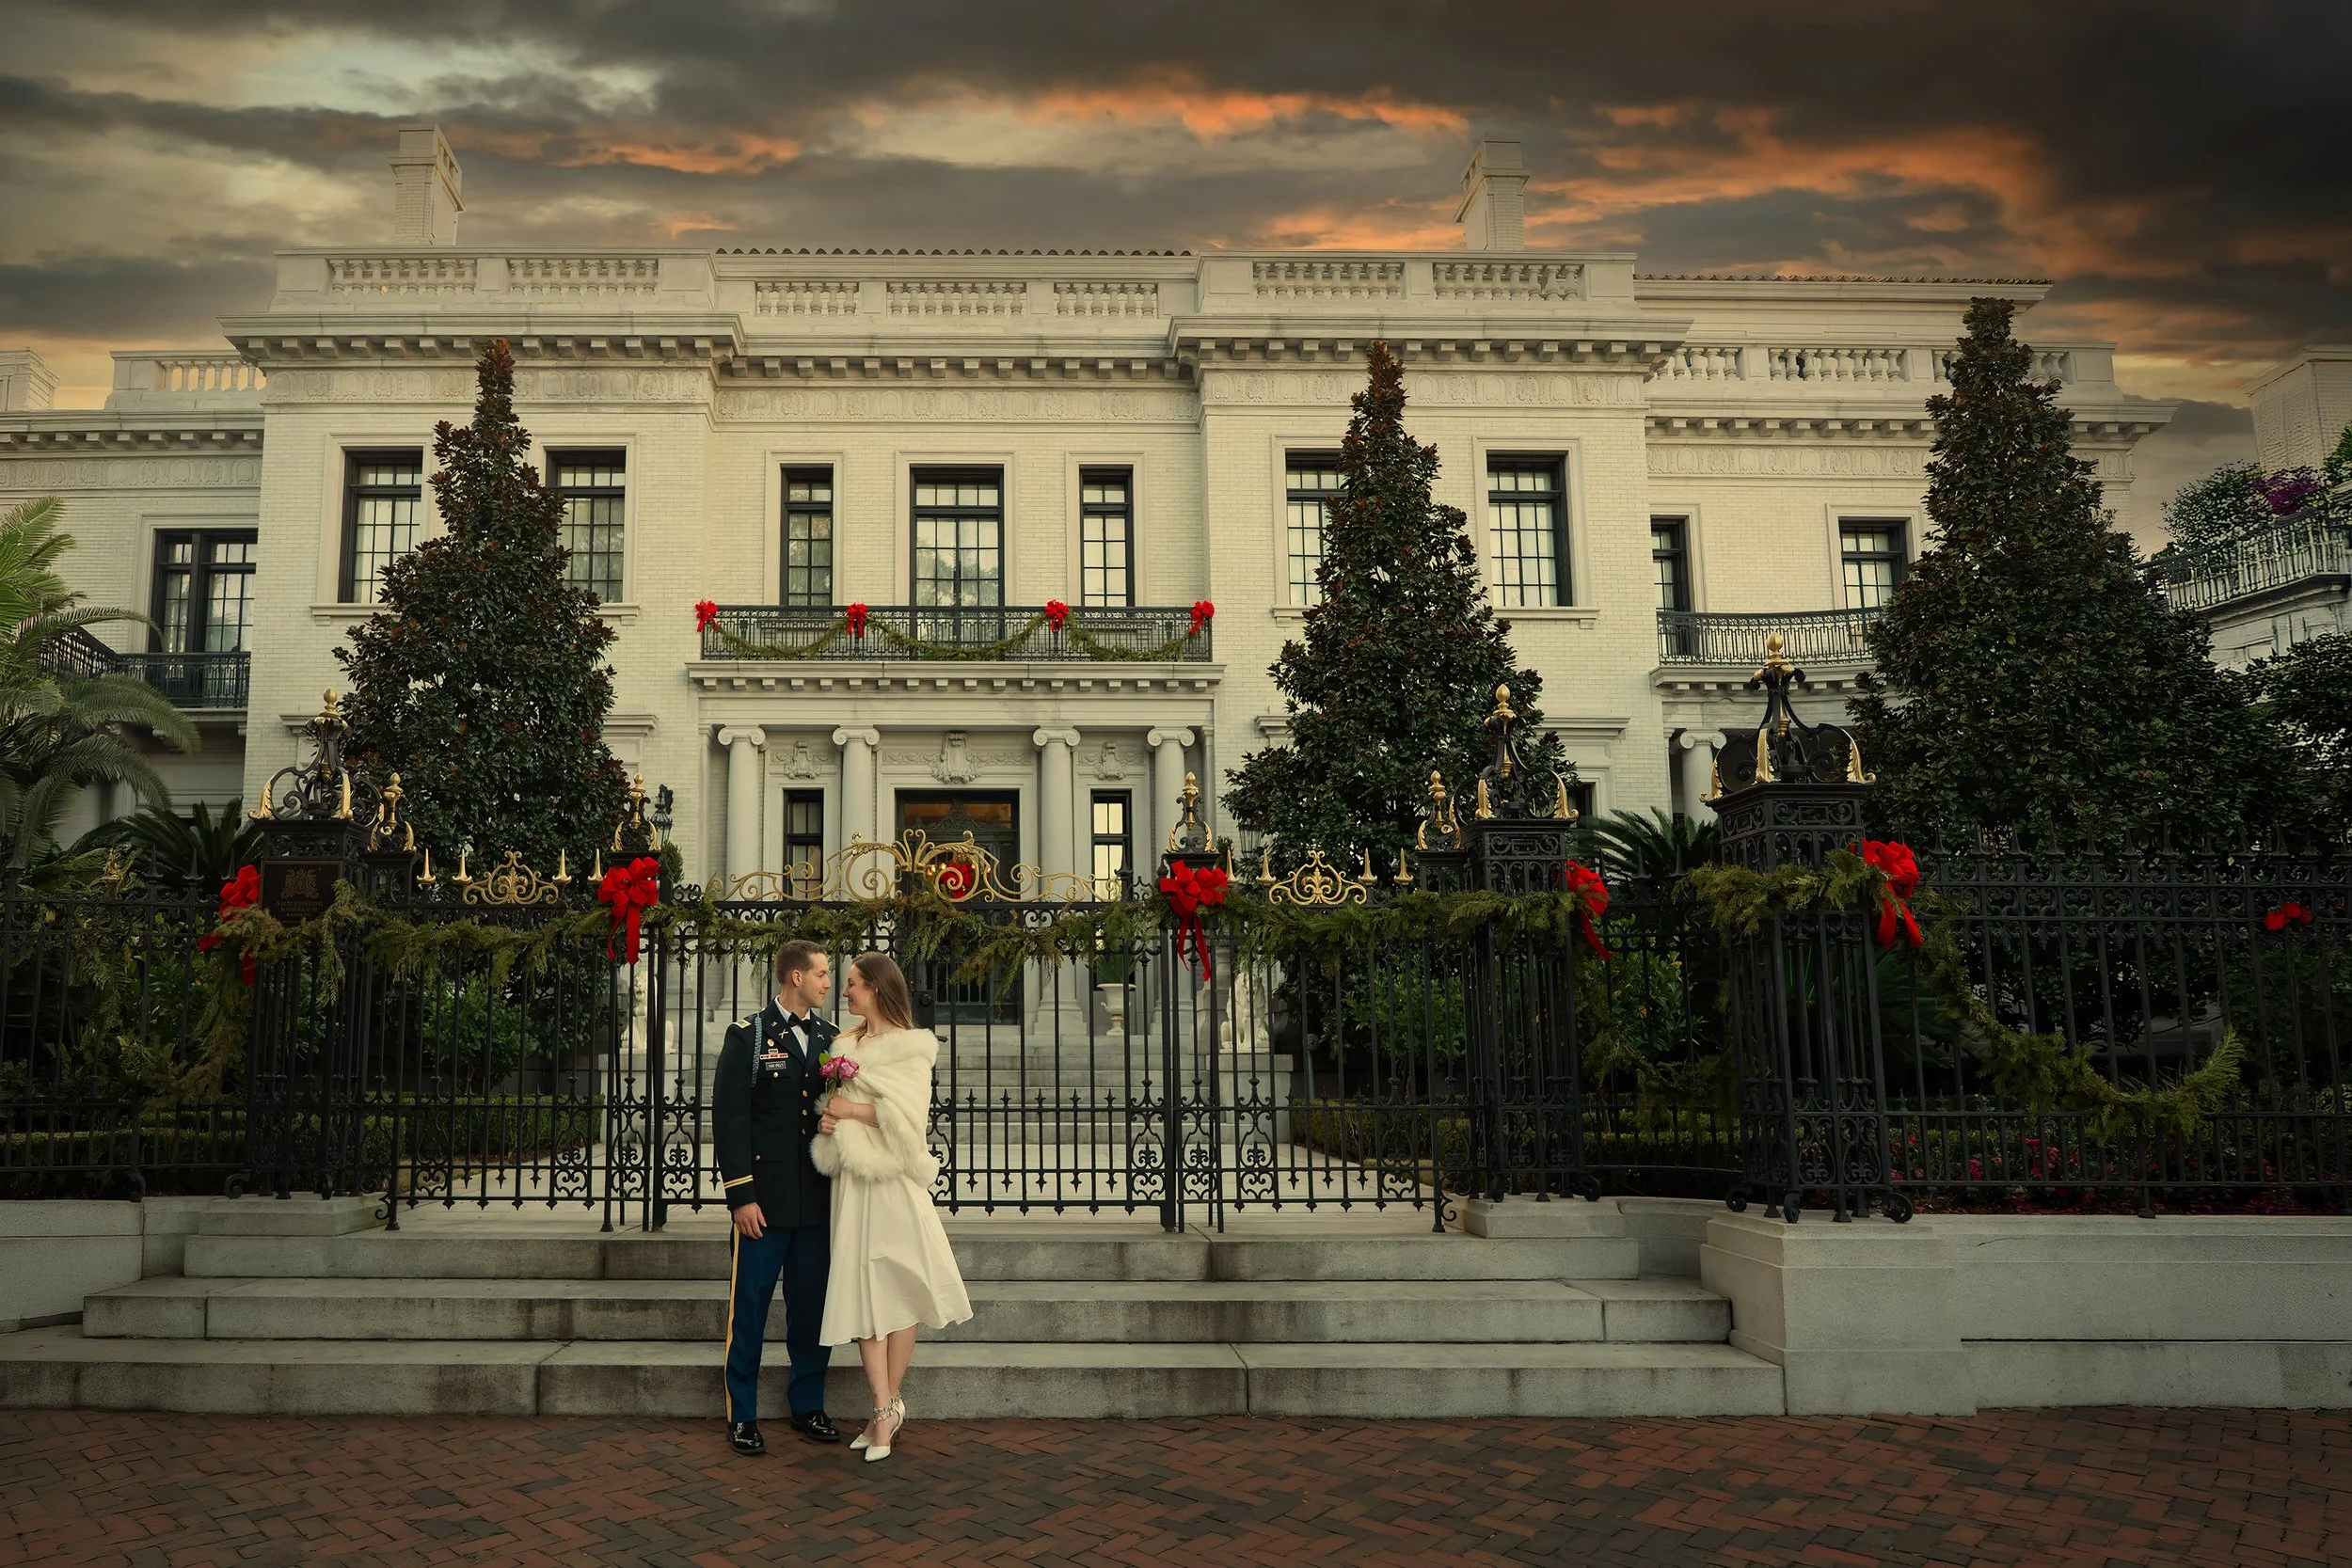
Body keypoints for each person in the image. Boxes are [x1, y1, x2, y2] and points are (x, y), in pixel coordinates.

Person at [812, 951, 972, 1463]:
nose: (845, 991)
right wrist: (828, 1124)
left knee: (900, 1285)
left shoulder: (911, 1048)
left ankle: (885, 1407)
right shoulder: (841, 1044)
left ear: (876, 988)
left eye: (853, 984)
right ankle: (885, 1406)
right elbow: (832, 1110)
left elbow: (909, 1119)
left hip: (893, 1181)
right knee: (861, 1285)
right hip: (854, 1183)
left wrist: (852, 1110)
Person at [713, 940, 842, 1456]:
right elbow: (730, 1119)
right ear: (794, 978)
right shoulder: (748, 1036)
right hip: (761, 1207)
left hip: (815, 1204)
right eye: (822, 973)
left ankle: (807, 1405)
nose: (829, 982)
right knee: (749, 1310)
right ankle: (741, 1414)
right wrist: (741, 1196)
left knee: (811, 1312)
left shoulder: (833, 1039)